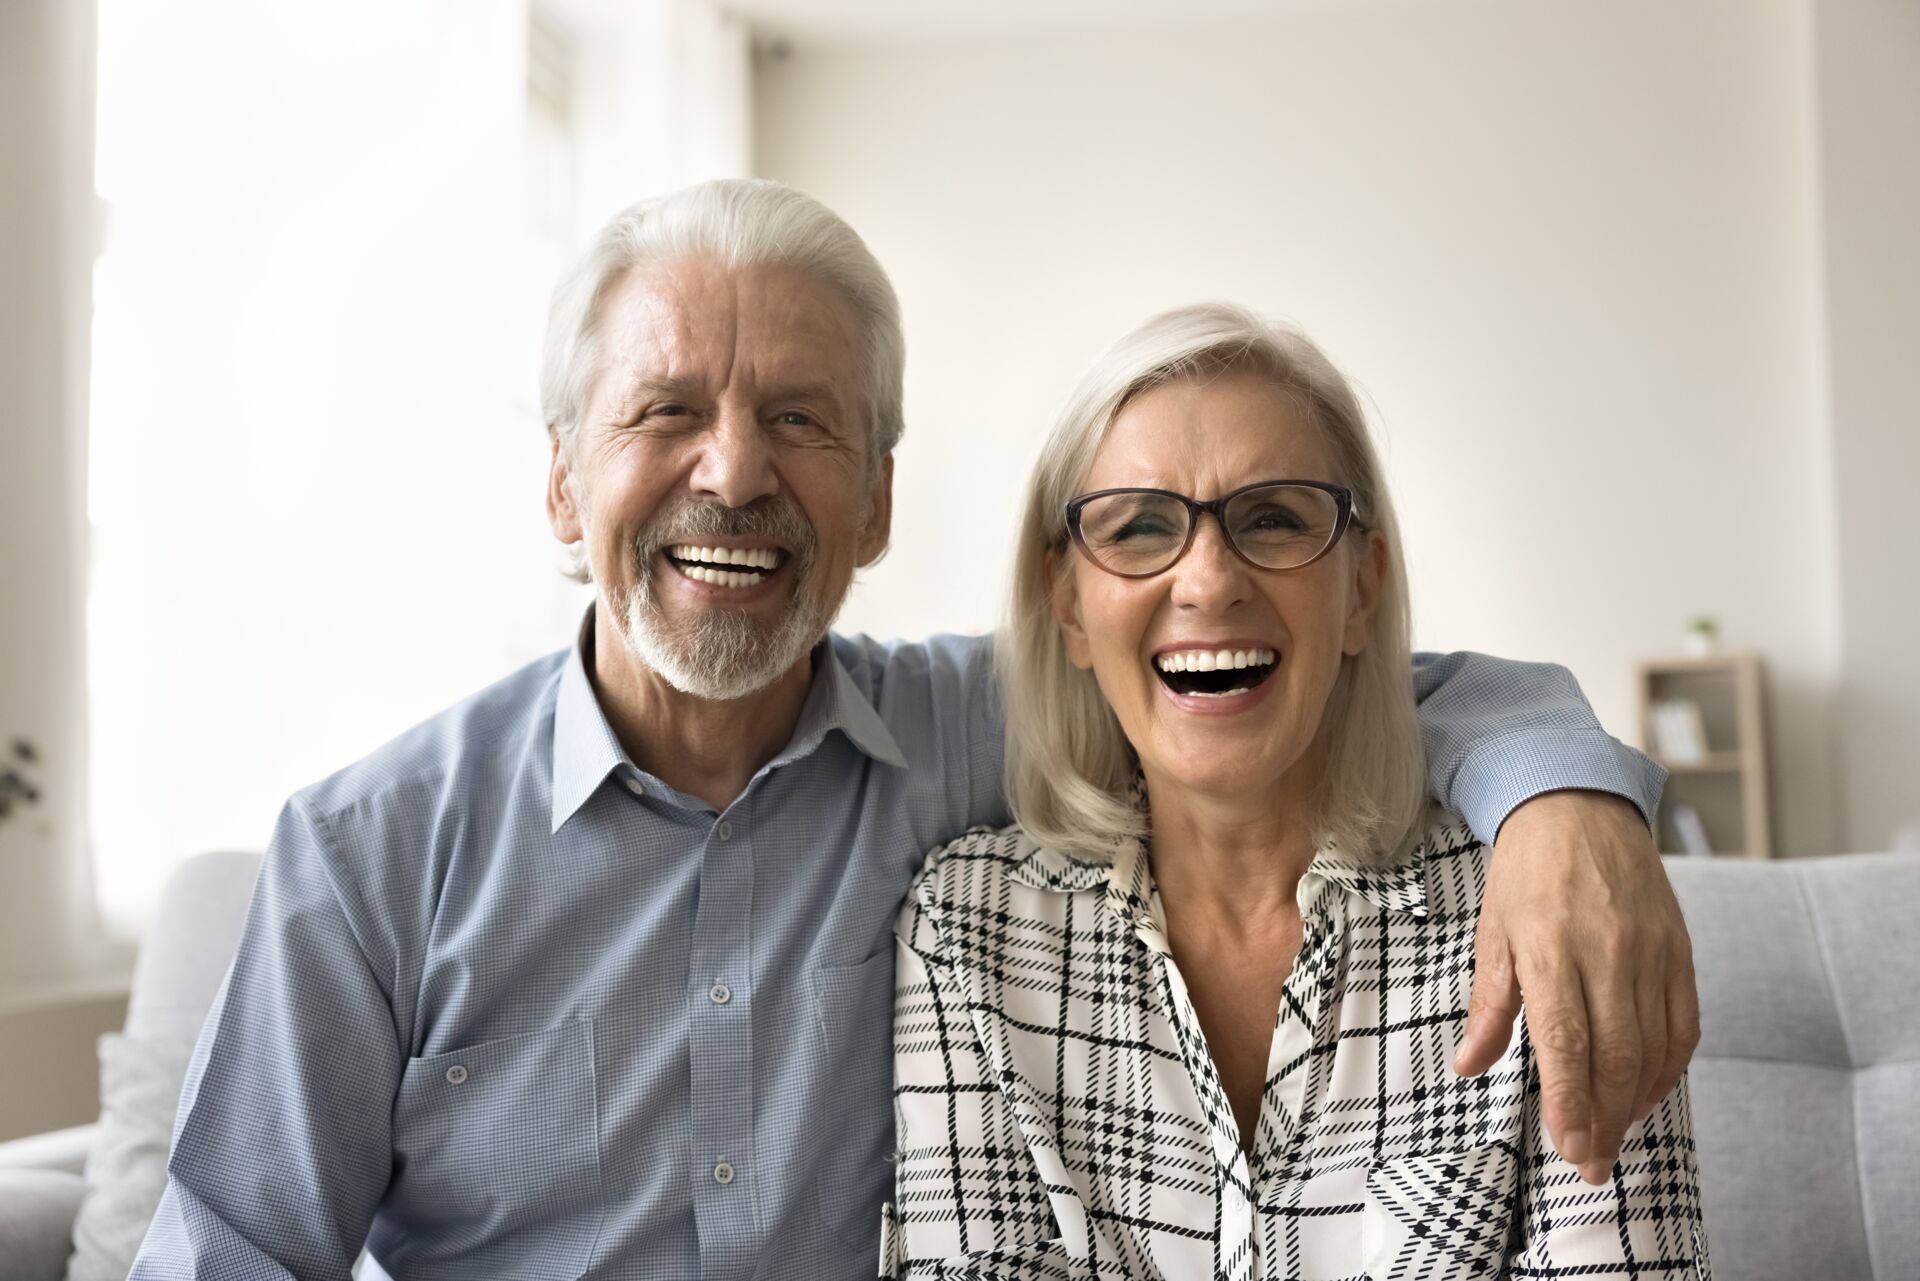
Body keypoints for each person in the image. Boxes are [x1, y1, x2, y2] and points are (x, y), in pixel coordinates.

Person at [133, 182, 1695, 1280]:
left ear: (878, 497)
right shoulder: (366, 858)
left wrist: (1572, 804)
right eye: (666, 409)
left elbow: (1298, 666)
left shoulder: (989, 724)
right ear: (562, 480)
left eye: (803, 418)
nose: (734, 474)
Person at [886, 303, 1710, 1278]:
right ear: (1068, 605)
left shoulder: (1544, 907)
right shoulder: (965, 930)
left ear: (1362, 588)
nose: (1209, 580)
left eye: (1273, 518)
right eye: (1140, 527)